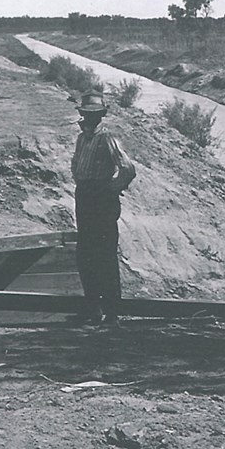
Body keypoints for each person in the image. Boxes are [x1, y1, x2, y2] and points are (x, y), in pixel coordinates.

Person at [70, 90, 136, 324]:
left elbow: (127, 169)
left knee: (105, 253)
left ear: (101, 116)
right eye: (86, 114)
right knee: (85, 252)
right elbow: (76, 166)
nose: (89, 119)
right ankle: (92, 307)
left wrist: (109, 188)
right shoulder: (81, 139)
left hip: (102, 200)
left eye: (94, 114)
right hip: (85, 197)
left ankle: (112, 312)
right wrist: (83, 186)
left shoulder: (107, 138)